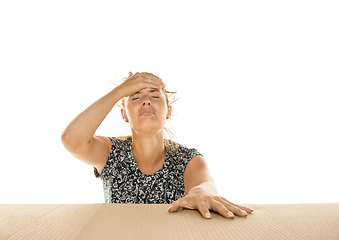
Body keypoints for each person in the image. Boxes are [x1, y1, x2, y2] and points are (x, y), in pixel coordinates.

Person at [61, 72, 253, 219]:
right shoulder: (111, 152)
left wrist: (201, 193)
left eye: (154, 96)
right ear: (124, 115)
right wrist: (120, 91)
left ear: (168, 111)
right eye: (135, 97)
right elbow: (71, 138)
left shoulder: (187, 158)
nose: (145, 101)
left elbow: (204, 184)